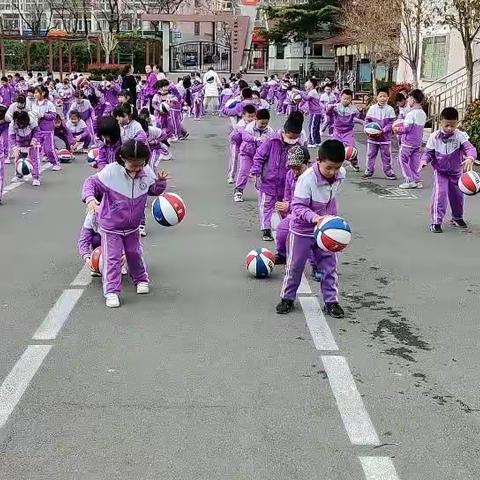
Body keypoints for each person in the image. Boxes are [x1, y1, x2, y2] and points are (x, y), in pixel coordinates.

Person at [82, 139, 169, 308]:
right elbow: (90, 183)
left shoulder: (146, 172)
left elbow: (152, 190)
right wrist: (90, 199)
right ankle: (112, 291)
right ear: (122, 158)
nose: (137, 169)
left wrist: (160, 183)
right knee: (112, 259)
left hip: (132, 227)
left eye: (140, 165)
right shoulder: (111, 172)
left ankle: (141, 279)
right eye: (133, 165)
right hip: (111, 227)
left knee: (134, 253)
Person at [277, 140, 346, 317]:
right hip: (301, 229)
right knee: (295, 265)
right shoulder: (306, 179)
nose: (333, 172)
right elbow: (297, 207)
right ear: (318, 161)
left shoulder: (340, 174)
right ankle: (287, 298)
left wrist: (332, 221)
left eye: (337, 168)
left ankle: (331, 301)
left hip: (326, 230)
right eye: (329, 168)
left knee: (329, 267)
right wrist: (316, 218)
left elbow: (331, 198)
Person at [419, 107, 477, 233]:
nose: (450, 128)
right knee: (440, 195)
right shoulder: (434, 137)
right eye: (447, 125)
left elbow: (470, 149)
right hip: (441, 172)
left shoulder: (460, 136)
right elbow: (428, 153)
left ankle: (457, 217)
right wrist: (424, 161)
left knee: (458, 196)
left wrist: (470, 158)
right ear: (441, 122)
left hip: (456, 172)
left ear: (457, 123)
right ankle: (436, 221)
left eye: (453, 125)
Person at [250, 111, 305, 241]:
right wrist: (255, 172)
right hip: (268, 181)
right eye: (290, 136)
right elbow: (259, 157)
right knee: (266, 206)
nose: (292, 140)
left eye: (295, 137)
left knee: (285, 205)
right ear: (285, 132)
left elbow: (303, 162)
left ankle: (286, 228)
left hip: (286, 183)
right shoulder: (272, 140)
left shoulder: (299, 144)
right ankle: (266, 229)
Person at [274, 145, 310, 265]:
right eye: (292, 167)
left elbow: (313, 204)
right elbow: (288, 196)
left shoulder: (312, 178)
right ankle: (282, 254)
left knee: (313, 242)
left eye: (298, 168)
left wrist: (289, 206)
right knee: (282, 229)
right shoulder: (290, 175)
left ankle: (317, 267)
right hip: (295, 213)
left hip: (312, 215)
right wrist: (285, 206)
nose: (295, 171)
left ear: (307, 163)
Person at [233, 108, 273, 202]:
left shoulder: (269, 130)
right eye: (262, 123)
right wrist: (256, 139)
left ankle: (263, 191)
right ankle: (239, 190)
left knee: (263, 173)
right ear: (256, 119)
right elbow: (245, 137)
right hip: (247, 153)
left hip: (260, 155)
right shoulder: (250, 127)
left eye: (266, 123)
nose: (264, 125)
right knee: (244, 171)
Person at [394, 88, 427, 189]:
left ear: (413, 99)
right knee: (414, 162)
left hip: (408, 142)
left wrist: (397, 129)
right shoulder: (423, 113)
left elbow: (407, 128)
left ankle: (409, 180)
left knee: (402, 159)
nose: (407, 100)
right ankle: (417, 181)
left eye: (408, 98)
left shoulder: (411, 114)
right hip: (417, 143)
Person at [324, 89, 363, 172]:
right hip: (337, 131)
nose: (345, 100)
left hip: (348, 132)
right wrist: (330, 108)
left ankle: (354, 163)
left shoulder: (354, 109)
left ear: (351, 99)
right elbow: (327, 114)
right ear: (340, 98)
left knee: (352, 148)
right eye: (344, 98)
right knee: (334, 148)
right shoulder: (336, 107)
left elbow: (361, 117)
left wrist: (361, 111)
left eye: (348, 99)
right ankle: (333, 164)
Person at [364, 87, 397, 179]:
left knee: (386, 156)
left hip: (385, 139)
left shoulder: (390, 109)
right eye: (381, 96)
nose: (383, 98)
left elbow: (391, 123)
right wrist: (367, 130)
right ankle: (369, 171)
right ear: (377, 97)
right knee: (370, 155)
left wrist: (384, 130)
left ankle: (388, 171)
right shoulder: (372, 108)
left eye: (385, 96)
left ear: (388, 97)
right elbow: (367, 121)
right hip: (372, 139)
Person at [31, 85, 61, 170]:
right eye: (34, 93)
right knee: (36, 149)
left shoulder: (49, 104)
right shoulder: (34, 104)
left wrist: (43, 115)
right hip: (37, 130)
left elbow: (53, 116)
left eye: (37, 92)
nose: (35, 94)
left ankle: (56, 163)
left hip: (47, 129)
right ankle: (34, 167)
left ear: (43, 93)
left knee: (49, 149)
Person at [227, 103, 256, 184]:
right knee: (234, 158)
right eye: (249, 116)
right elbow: (244, 134)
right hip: (236, 142)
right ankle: (231, 175)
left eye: (253, 116)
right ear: (243, 116)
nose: (251, 118)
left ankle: (251, 173)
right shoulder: (241, 124)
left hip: (245, 144)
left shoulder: (254, 123)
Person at [9, 111, 40, 185]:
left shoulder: (32, 120)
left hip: (31, 140)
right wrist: (14, 147)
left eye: (23, 123)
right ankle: (19, 175)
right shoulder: (12, 124)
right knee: (18, 158)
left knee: (34, 158)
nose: (21, 125)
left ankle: (36, 177)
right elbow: (12, 137)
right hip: (20, 140)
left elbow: (37, 131)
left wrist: (34, 139)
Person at [294, 78, 325, 147]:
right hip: (316, 112)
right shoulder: (313, 91)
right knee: (316, 127)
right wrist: (299, 91)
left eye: (308, 82)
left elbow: (306, 98)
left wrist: (300, 93)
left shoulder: (312, 92)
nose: (306, 84)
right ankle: (317, 141)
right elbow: (306, 95)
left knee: (312, 127)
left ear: (311, 84)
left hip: (315, 112)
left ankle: (312, 142)